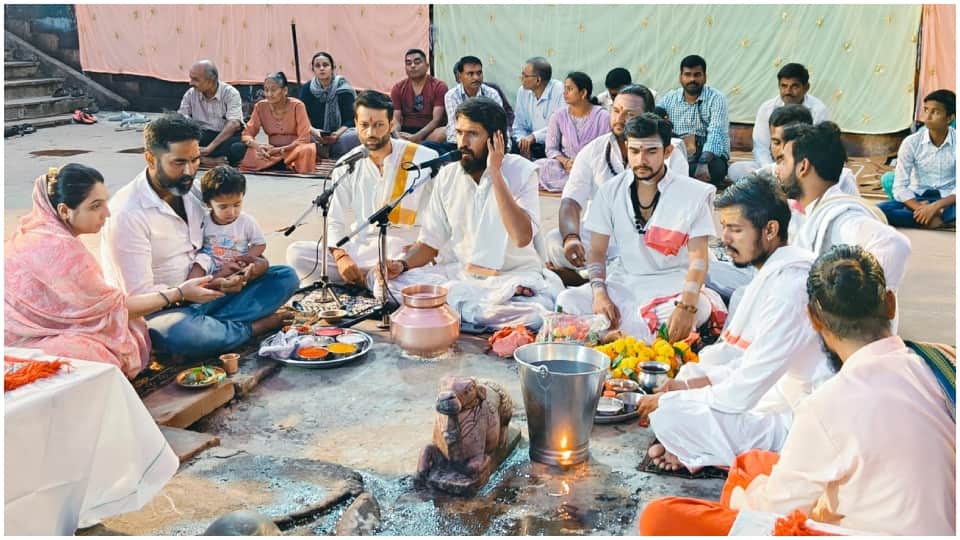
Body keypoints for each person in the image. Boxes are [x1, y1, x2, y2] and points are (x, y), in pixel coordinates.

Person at [640, 245, 955, 536]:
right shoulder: (944, 359)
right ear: (890, 303)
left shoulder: (829, 403)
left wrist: (740, 498)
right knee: (750, 464)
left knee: (661, 517)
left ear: (814, 319)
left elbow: (772, 513)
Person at [638, 173, 831, 472]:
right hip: (771, 393)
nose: (724, 239)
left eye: (735, 229)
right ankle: (690, 447)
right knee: (687, 378)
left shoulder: (789, 289)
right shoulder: (772, 273)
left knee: (670, 413)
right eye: (724, 227)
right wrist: (687, 384)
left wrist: (679, 399)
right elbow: (746, 362)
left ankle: (697, 452)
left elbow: (743, 391)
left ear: (770, 230)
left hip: (795, 422)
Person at [100, 113, 300, 360]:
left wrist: (241, 272)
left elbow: (222, 241)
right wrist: (184, 293)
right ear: (150, 159)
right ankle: (253, 327)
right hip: (165, 310)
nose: (189, 171)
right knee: (181, 334)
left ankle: (217, 328)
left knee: (284, 277)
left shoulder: (192, 193)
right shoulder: (127, 214)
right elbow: (137, 299)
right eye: (179, 162)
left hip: (209, 293)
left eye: (195, 160)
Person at [5, 164, 220, 378]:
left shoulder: (39, 232)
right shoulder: (63, 250)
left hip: (40, 331)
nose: (106, 213)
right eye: (95, 206)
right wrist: (179, 293)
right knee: (98, 355)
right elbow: (117, 310)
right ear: (64, 211)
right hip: (20, 340)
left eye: (105, 203)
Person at [378, 97, 563, 331]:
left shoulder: (522, 172)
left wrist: (495, 173)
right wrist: (402, 265)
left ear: (496, 138)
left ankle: (457, 309)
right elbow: (429, 243)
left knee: (535, 316)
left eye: (472, 134)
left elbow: (521, 236)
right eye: (459, 133)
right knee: (383, 284)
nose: (462, 142)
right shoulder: (447, 176)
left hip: (513, 276)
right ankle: (465, 308)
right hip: (462, 276)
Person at [555, 113, 727, 344]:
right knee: (568, 300)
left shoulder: (692, 194)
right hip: (625, 283)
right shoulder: (611, 191)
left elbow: (698, 258)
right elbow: (597, 252)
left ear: (667, 152)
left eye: (651, 151)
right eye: (634, 151)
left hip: (672, 287)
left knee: (690, 312)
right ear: (627, 148)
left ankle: (607, 335)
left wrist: (687, 304)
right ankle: (625, 336)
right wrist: (599, 293)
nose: (641, 159)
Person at [286, 90, 440, 285]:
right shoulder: (347, 163)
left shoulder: (424, 158)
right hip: (360, 247)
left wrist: (427, 248)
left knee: (406, 275)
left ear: (392, 124)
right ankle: (369, 278)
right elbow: (334, 219)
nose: (370, 133)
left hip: (403, 250)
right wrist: (341, 257)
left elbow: (445, 213)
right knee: (297, 253)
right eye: (364, 126)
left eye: (378, 125)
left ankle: (374, 280)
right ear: (356, 124)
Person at [543, 86, 688, 286]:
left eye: (629, 114)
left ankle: (586, 278)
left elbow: (675, 215)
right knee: (554, 240)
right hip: (604, 238)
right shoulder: (594, 150)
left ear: (647, 116)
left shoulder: (669, 154)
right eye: (616, 110)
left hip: (649, 239)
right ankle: (602, 275)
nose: (619, 119)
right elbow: (571, 201)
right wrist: (571, 238)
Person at [777, 122, 912, 296]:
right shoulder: (812, 211)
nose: (777, 170)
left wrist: (852, 306)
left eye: (783, 161)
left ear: (803, 167)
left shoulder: (840, 217)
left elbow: (894, 245)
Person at [728, 63, 829, 180]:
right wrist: (771, 170)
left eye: (794, 86)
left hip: (803, 166)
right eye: (783, 86)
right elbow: (760, 146)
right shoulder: (767, 108)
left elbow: (816, 147)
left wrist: (794, 167)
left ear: (806, 87)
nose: (788, 91)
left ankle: (776, 187)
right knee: (735, 170)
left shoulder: (818, 109)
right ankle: (776, 185)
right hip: (774, 165)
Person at [878, 89, 956, 229]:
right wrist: (920, 208)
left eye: (935, 112)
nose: (928, 116)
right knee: (879, 211)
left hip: (949, 200)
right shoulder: (911, 142)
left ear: (950, 118)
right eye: (926, 110)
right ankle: (937, 221)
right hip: (918, 197)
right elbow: (900, 185)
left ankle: (933, 217)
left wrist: (936, 207)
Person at [657, 54, 730, 186]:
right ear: (680, 77)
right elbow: (656, 122)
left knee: (716, 169)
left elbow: (716, 132)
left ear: (705, 77)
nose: (692, 79)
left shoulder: (717, 98)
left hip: (709, 156)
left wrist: (703, 162)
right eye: (688, 74)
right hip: (679, 154)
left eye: (697, 75)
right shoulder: (669, 99)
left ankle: (679, 177)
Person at [535, 71, 610, 192]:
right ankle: (578, 184)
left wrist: (582, 164)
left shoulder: (603, 117)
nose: (564, 93)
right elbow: (551, 149)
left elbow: (607, 148)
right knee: (539, 166)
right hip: (565, 167)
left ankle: (582, 183)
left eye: (569, 89)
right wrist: (565, 162)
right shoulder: (558, 115)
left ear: (583, 93)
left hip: (591, 167)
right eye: (564, 88)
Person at [188, 165, 266, 280]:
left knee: (241, 271)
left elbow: (260, 244)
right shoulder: (204, 220)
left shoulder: (246, 221)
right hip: (210, 260)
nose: (231, 212)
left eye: (237, 204)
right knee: (199, 264)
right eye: (223, 207)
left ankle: (213, 283)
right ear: (209, 204)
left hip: (237, 261)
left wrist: (245, 258)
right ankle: (191, 288)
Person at [237, 72, 317, 173]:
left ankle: (279, 163)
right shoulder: (260, 107)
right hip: (271, 151)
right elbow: (247, 134)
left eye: (273, 90)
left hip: (293, 150)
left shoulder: (297, 106)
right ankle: (282, 163)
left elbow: (304, 139)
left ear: (285, 90)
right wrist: (258, 146)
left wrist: (279, 150)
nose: (269, 94)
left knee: (307, 150)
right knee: (240, 148)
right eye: (266, 90)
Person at [178, 60, 245, 167]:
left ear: (210, 80)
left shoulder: (230, 93)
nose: (191, 83)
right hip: (201, 136)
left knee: (237, 148)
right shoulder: (191, 94)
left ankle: (196, 159)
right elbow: (181, 118)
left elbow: (234, 124)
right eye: (191, 79)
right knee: (174, 141)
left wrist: (210, 148)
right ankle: (208, 161)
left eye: (195, 80)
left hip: (223, 137)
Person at [300, 51, 361, 159]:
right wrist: (315, 133)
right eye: (317, 66)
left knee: (358, 135)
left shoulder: (344, 89)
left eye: (325, 65)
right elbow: (302, 116)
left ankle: (322, 150)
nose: (322, 68)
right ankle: (325, 149)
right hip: (316, 134)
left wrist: (336, 135)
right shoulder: (307, 89)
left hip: (341, 134)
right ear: (313, 69)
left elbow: (352, 119)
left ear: (332, 68)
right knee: (297, 134)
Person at [390, 48, 449, 145]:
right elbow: (396, 119)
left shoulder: (439, 86)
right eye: (408, 63)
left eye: (417, 62)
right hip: (406, 132)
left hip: (429, 133)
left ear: (427, 66)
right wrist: (396, 134)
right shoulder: (398, 88)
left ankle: (416, 145)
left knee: (443, 132)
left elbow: (436, 120)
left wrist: (418, 136)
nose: (412, 66)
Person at [443, 56, 504, 147]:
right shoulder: (452, 95)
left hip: (486, 144)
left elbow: (500, 125)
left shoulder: (492, 93)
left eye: (479, 73)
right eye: (470, 74)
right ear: (460, 77)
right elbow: (454, 128)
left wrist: (505, 147)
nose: (476, 78)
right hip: (460, 144)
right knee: (430, 146)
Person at [512, 57, 564, 160]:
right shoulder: (523, 91)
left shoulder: (560, 90)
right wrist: (523, 143)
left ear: (538, 80)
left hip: (553, 144)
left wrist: (534, 137)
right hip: (531, 144)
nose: (521, 78)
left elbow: (561, 126)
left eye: (525, 76)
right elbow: (518, 125)